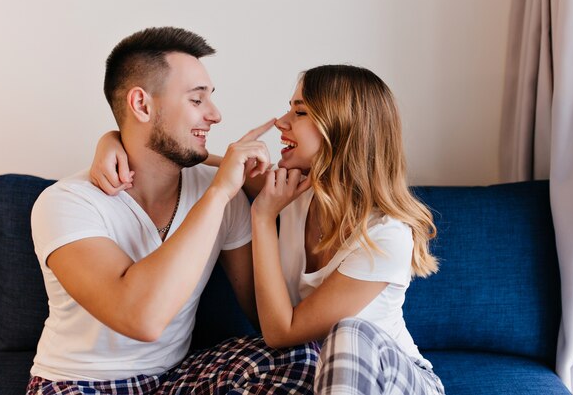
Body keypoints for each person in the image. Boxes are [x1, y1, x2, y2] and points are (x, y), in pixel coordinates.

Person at [93, 65, 445, 394]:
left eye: (300, 112)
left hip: (394, 380)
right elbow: (191, 157)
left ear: (343, 127)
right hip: (315, 377)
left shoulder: (385, 235)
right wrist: (112, 140)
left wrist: (262, 217)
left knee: (348, 333)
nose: (281, 122)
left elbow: (280, 332)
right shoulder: (293, 190)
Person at [27, 27, 318, 395]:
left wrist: (235, 191)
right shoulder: (67, 202)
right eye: (197, 101)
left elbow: (263, 318)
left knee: (303, 358)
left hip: (175, 377)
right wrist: (220, 192)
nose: (216, 115)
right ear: (142, 105)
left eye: (211, 99)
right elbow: (142, 319)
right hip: (79, 383)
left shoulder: (220, 191)